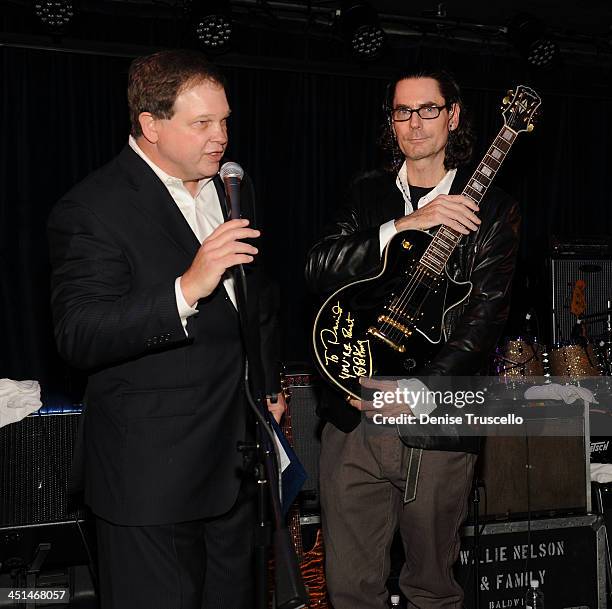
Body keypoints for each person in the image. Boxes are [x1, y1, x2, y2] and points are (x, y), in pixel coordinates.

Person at [48, 50, 285, 609]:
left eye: (224, 119)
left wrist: (268, 386)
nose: (220, 135)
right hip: (151, 481)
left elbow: (258, 305)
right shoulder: (92, 207)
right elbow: (79, 333)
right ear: (150, 126)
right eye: (201, 122)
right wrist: (186, 288)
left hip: (235, 466)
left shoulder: (230, 190)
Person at [305, 70, 520, 608]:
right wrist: (404, 226)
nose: (414, 123)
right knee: (349, 588)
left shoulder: (494, 208)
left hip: (437, 420)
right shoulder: (367, 192)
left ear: (453, 115)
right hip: (351, 413)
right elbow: (317, 267)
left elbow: (485, 317)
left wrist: (419, 389)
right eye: (403, 111)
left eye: (428, 109)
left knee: (431, 588)